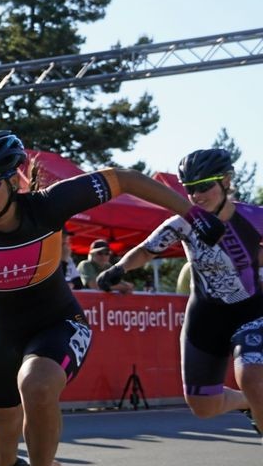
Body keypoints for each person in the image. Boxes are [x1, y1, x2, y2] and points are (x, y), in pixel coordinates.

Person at [0, 130, 227, 466]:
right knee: (2, 415)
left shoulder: (50, 205)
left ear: (14, 180)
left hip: (58, 324)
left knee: (36, 384)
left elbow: (123, 178)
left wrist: (190, 214)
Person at [97, 148, 263, 444]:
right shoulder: (184, 222)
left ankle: (254, 397)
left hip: (250, 312)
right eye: (189, 189)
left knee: (252, 377)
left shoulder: (254, 217)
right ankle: (246, 401)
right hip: (205, 317)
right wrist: (119, 269)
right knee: (203, 406)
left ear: (226, 181)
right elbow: (147, 250)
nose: (196, 196)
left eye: (204, 186)